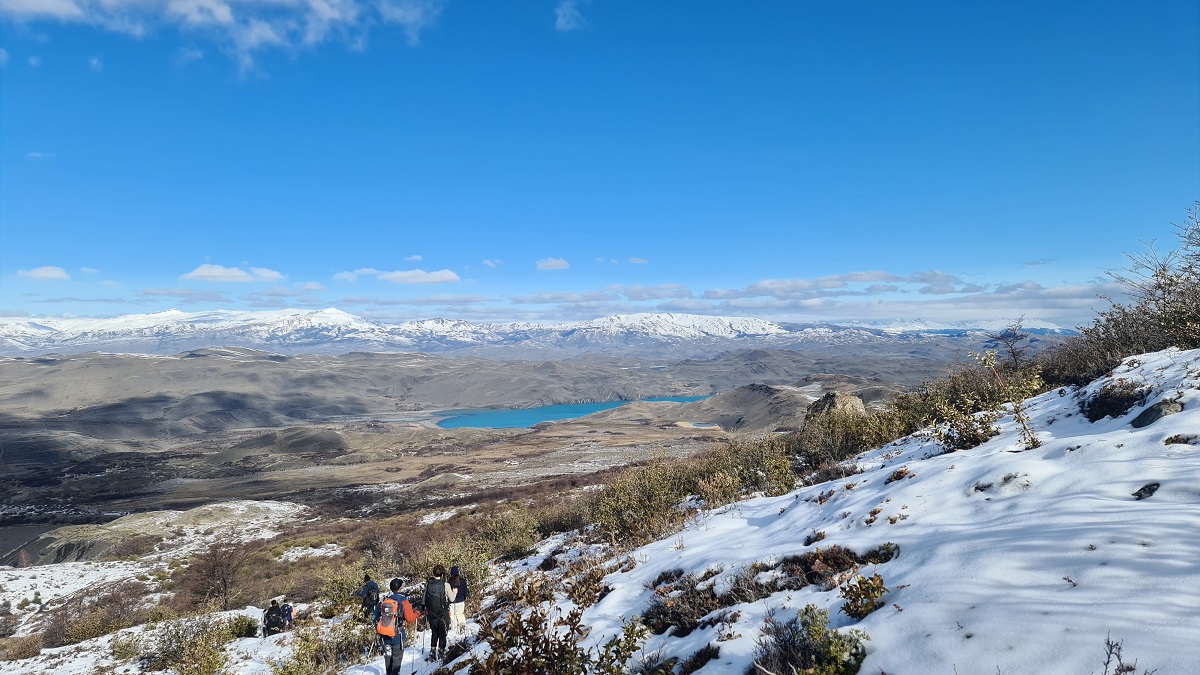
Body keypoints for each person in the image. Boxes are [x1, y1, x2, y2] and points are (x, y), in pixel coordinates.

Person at [374, 578, 419, 675]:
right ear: (400, 588)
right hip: (397, 636)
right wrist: (417, 613)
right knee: (396, 660)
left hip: (384, 636)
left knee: (388, 658)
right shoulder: (403, 601)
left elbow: (375, 618)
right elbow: (410, 618)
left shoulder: (385, 600)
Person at [423, 564, 453, 662]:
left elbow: (424, 600)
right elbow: (452, 598)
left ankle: (432, 652)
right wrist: (455, 592)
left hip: (431, 614)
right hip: (443, 613)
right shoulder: (445, 585)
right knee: (442, 633)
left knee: (434, 633)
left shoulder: (429, 584)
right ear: (443, 574)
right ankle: (441, 651)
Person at [448, 566, 468, 635]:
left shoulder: (450, 582)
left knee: (453, 616)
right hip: (461, 601)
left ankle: (455, 631)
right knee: (460, 615)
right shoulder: (463, 581)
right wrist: (463, 598)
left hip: (452, 602)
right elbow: (465, 591)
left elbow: (448, 592)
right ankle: (462, 627)